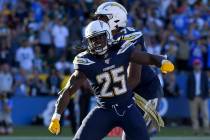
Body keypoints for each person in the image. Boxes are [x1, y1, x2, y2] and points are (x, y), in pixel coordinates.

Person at [48, 20, 174, 140]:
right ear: (88, 41)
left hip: (128, 108)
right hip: (104, 110)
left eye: (100, 37)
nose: (97, 42)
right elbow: (68, 90)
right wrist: (56, 116)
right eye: (93, 39)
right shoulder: (85, 61)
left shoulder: (122, 49)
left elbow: (146, 57)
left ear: (107, 35)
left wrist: (162, 61)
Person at [94, 1, 164, 138]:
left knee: (134, 135)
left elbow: (134, 77)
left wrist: (113, 96)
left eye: (102, 17)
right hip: (130, 91)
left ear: (115, 18)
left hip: (145, 92)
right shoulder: (106, 39)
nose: (98, 21)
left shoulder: (131, 37)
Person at [187, 59, 209, 135]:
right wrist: (190, 96)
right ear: (194, 65)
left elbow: (206, 86)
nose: (197, 66)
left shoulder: (204, 75)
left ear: (201, 65)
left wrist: (206, 96)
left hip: (202, 97)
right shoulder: (190, 75)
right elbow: (188, 87)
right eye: (196, 64)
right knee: (194, 115)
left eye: (198, 64)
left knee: (205, 114)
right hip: (193, 97)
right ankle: (195, 130)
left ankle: (206, 130)